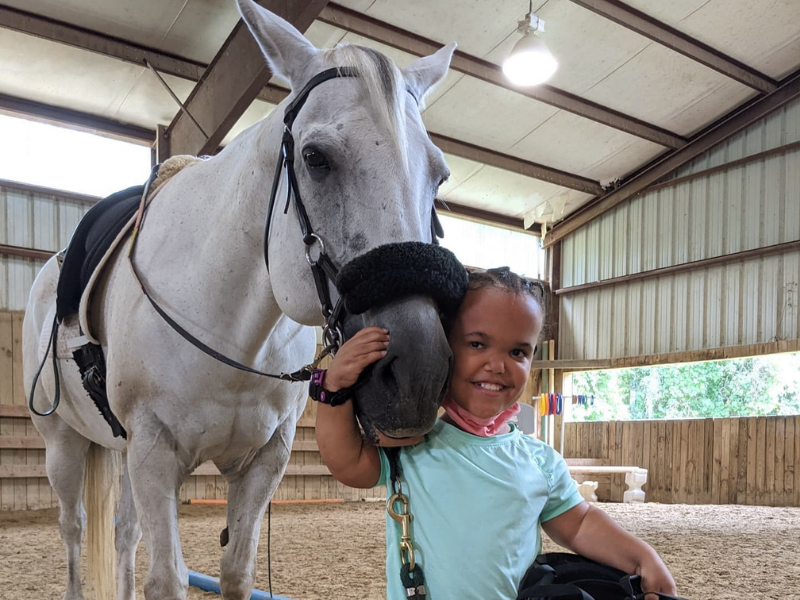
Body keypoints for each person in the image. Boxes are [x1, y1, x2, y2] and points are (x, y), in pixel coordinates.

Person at [314, 267, 677, 600]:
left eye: (518, 351)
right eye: (477, 344)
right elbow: (346, 462)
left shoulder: (540, 461)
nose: (498, 364)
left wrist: (643, 558)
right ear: (444, 347)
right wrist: (334, 388)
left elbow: (579, 524)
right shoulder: (411, 444)